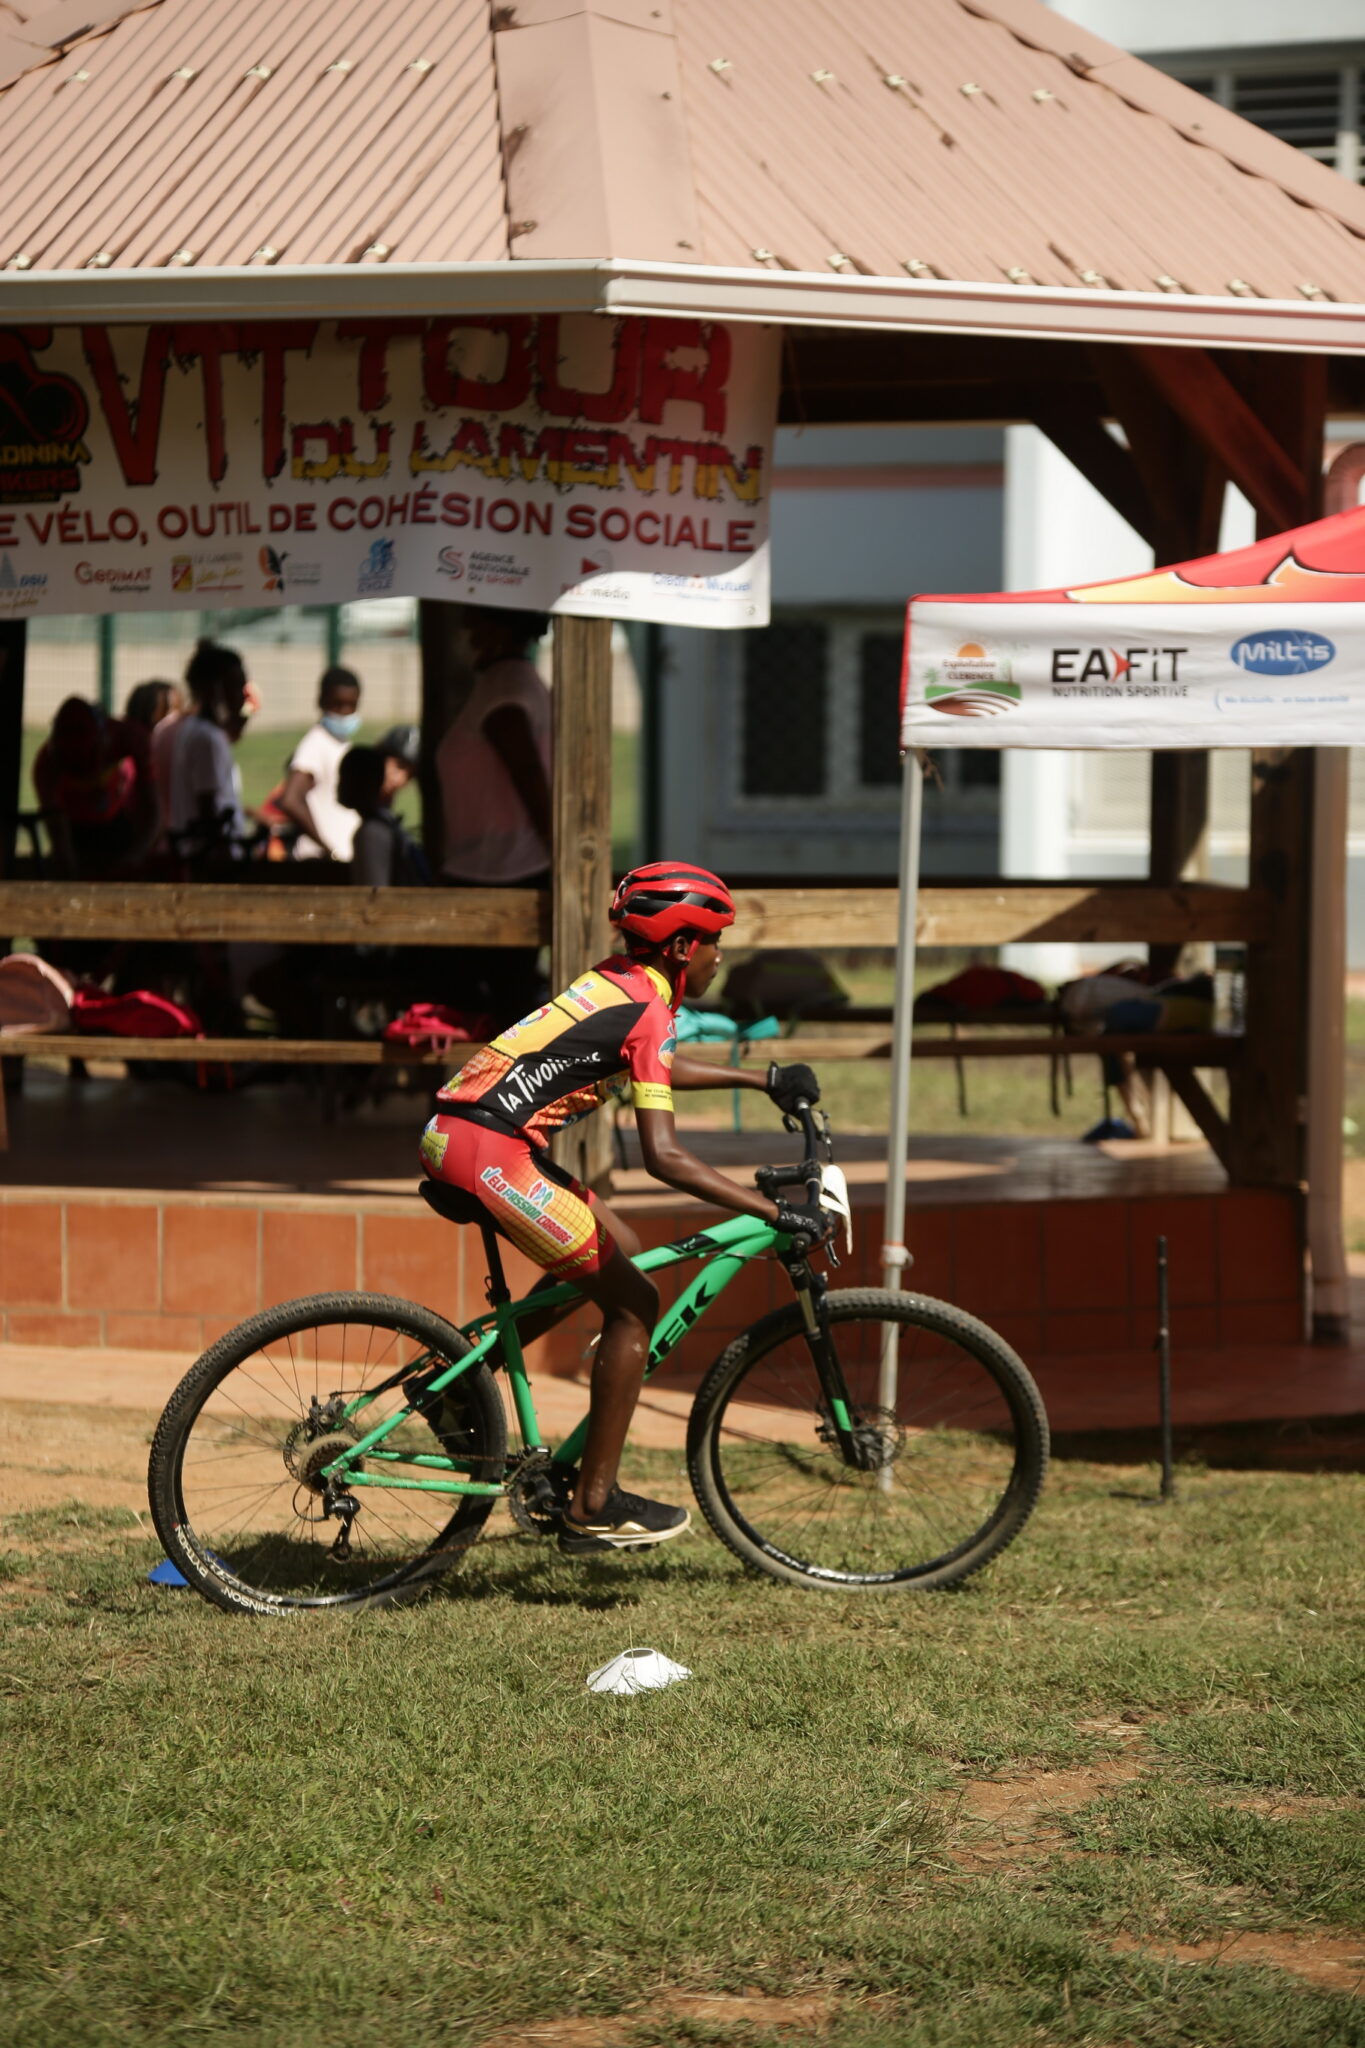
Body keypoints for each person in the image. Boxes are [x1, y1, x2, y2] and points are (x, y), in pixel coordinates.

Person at [419, 862, 830, 1557]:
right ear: (679, 949)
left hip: (461, 1136)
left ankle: (456, 1390)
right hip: (488, 1152)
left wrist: (758, 1078)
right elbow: (663, 1158)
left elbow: (656, 1064)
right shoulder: (646, 1006)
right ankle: (593, 1504)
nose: (719, 955)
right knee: (635, 1301)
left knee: (620, 1243)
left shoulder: (621, 983)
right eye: (713, 941)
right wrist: (769, 1210)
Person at [434, 607, 551, 1024]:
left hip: (505, 875)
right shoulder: (501, 685)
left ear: (499, 629)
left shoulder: (507, 690)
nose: (464, 631)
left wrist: (561, 857)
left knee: (497, 1010)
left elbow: (528, 776)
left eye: (474, 623)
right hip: (490, 870)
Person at [32, 695, 156, 878]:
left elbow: (154, 809)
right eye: (73, 766)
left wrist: (136, 855)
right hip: (74, 827)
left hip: (119, 823)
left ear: (104, 741)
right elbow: (58, 834)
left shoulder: (131, 738)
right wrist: (72, 877)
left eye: (87, 763)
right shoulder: (46, 765)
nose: (84, 774)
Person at [165, 639, 250, 855]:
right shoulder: (207, 739)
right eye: (236, 686)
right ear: (214, 689)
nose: (243, 695)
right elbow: (208, 811)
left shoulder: (193, 730)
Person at [277, 666, 363, 861]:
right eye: (337, 705)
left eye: (351, 705)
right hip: (320, 860)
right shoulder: (315, 744)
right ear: (321, 701)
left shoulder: (340, 743)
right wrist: (327, 848)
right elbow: (291, 800)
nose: (344, 712)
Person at [337, 745, 429, 888]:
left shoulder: (372, 833)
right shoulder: (385, 825)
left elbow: (375, 897)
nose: (338, 786)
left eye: (345, 777)